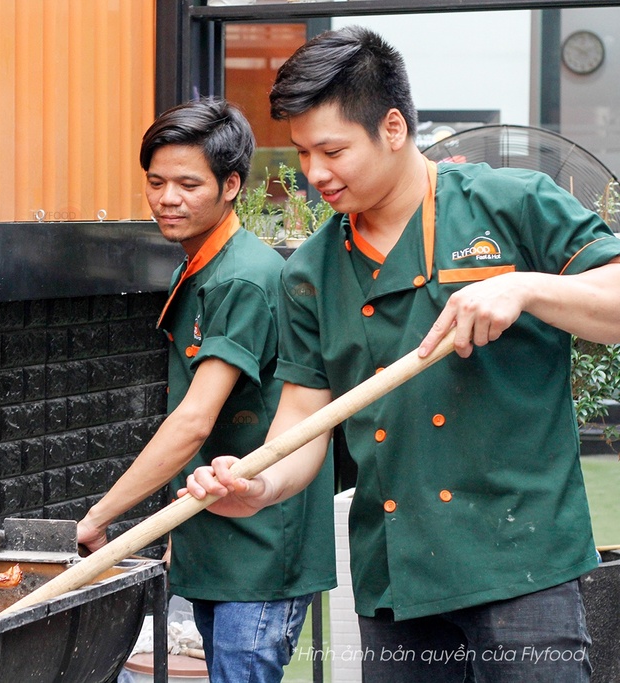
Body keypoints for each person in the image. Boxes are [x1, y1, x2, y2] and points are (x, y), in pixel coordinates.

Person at [181, 26, 620, 683]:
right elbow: (302, 421)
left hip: (521, 563)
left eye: (331, 150)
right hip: (396, 579)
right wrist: (258, 484)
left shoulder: (511, 205)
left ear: (392, 127)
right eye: (302, 153)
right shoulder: (311, 269)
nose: (314, 173)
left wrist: (525, 287)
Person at [76, 98, 336, 682]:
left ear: (231, 186)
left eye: (189, 184)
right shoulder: (197, 265)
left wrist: (100, 516)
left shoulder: (245, 276)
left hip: (261, 546)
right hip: (213, 534)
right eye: (156, 182)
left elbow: (194, 419)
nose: (169, 198)